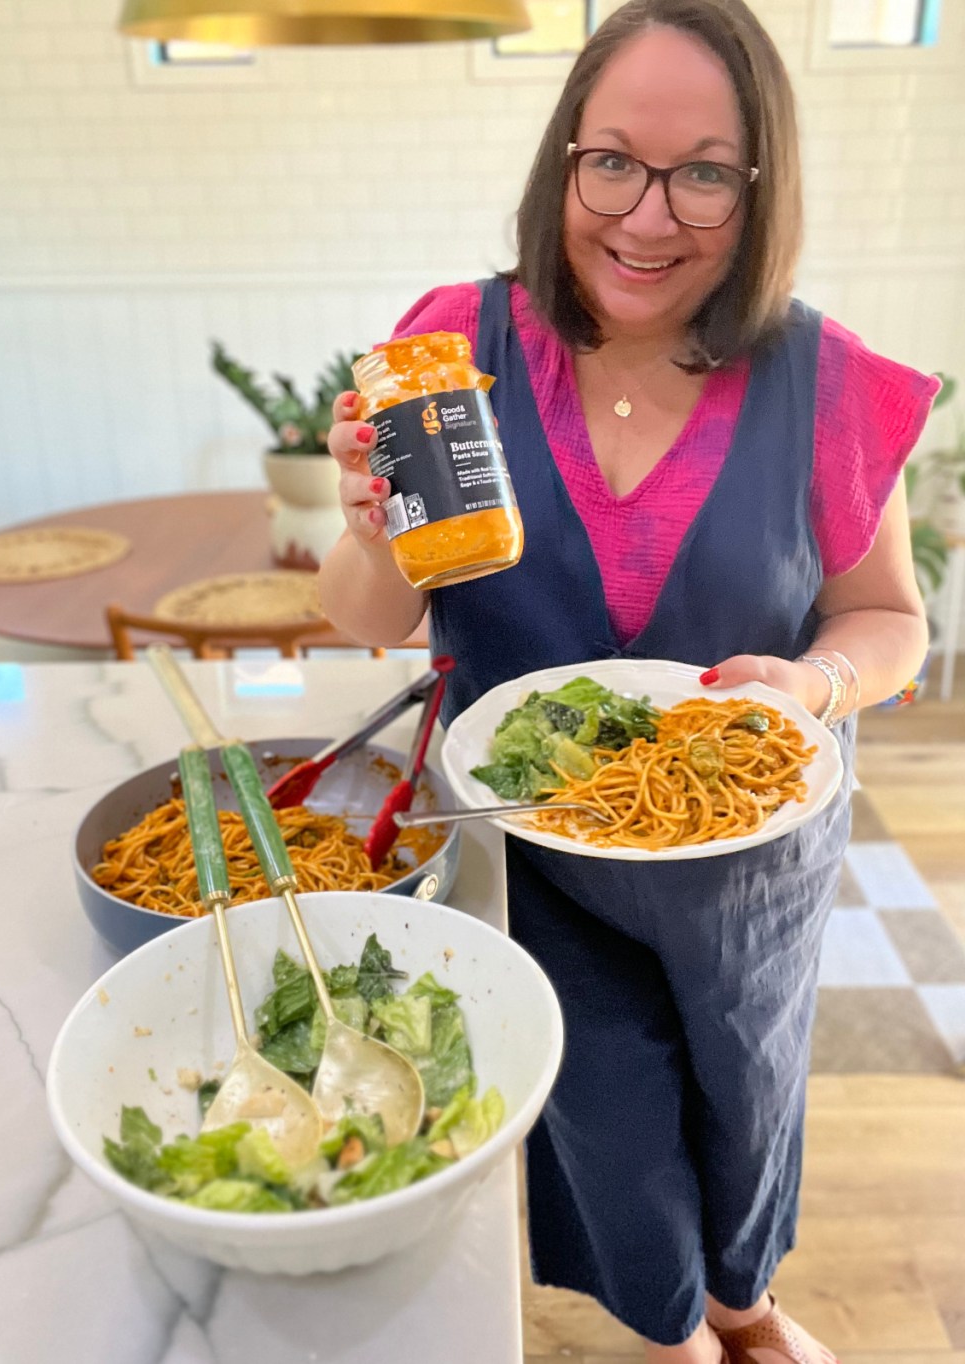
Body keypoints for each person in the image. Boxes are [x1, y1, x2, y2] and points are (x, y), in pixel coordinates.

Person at [318, 1, 937, 1359]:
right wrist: (369, 526)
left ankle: (748, 1303)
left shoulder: (823, 378)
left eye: (705, 171)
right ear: (566, 160)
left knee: (750, 1093)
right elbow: (368, 621)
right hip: (528, 852)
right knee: (602, 1103)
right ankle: (672, 1334)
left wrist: (817, 684)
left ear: (759, 184)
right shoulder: (454, 349)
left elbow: (894, 619)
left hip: (745, 858)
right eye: (614, 161)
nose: (647, 219)